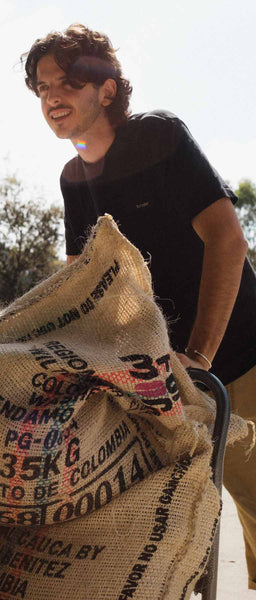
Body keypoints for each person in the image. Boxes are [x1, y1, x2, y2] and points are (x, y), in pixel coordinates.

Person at [22, 23, 256, 589]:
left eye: (68, 82)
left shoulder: (156, 136)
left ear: (106, 89)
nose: (52, 95)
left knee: (255, 497)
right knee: (166, 527)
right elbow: (86, 283)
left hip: (239, 357)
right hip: (160, 374)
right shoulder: (75, 177)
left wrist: (200, 354)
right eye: (42, 85)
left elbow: (228, 239)